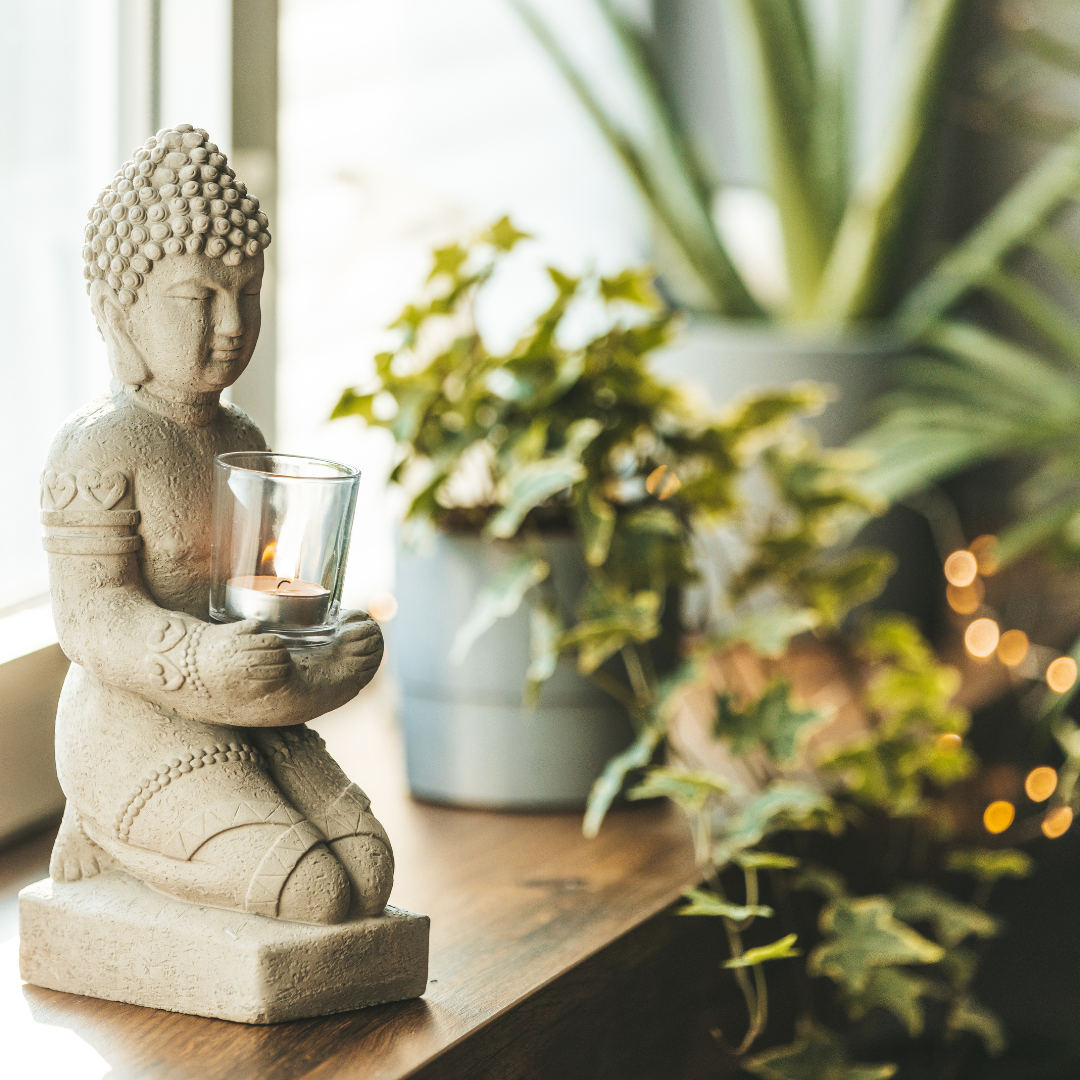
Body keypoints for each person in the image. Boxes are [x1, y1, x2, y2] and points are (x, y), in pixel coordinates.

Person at [43, 125, 392, 925]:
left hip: (243, 705)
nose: (232, 323)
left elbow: (263, 591)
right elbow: (89, 618)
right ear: (118, 312)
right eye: (198, 298)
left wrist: (326, 642)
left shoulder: (242, 442)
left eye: (247, 293)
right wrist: (199, 653)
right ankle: (102, 822)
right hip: (132, 723)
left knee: (368, 869)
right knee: (314, 891)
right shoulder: (97, 449)